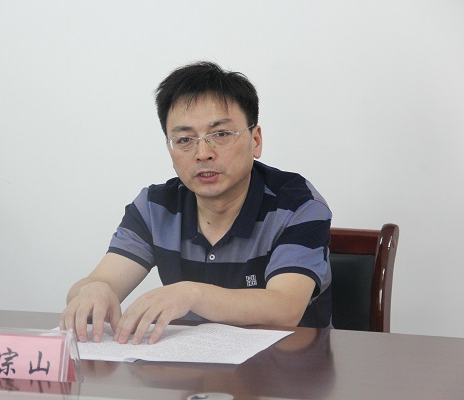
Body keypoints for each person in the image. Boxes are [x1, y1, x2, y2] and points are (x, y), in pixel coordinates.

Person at [60, 61, 332, 345]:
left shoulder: (298, 205)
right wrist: (93, 291)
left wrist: (191, 294)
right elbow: (99, 282)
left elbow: (285, 308)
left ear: (256, 140)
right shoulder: (156, 207)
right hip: (193, 365)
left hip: (287, 366)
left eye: (221, 134)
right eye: (185, 139)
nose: (203, 153)